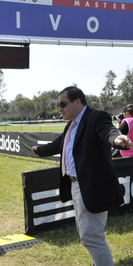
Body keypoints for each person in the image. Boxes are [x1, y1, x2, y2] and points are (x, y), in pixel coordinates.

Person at [31, 86, 132, 266]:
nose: (59, 109)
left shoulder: (96, 117)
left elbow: (107, 131)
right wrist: (38, 150)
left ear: (77, 102)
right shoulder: (71, 124)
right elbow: (58, 145)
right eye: (58, 105)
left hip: (92, 187)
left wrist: (117, 139)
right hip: (76, 186)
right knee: (89, 234)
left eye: (62, 104)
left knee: (90, 236)